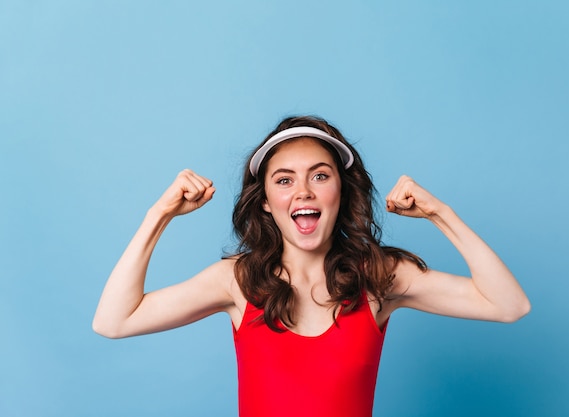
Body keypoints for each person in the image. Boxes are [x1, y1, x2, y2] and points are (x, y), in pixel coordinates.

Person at [93, 115, 531, 417]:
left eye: (320, 175)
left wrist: (441, 214)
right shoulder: (238, 282)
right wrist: (159, 215)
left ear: (341, 190)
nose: (303, 191)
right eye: (284, 180)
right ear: (265, 202)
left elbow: (509, 305)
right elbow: (114, 320)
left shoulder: (379, 277)